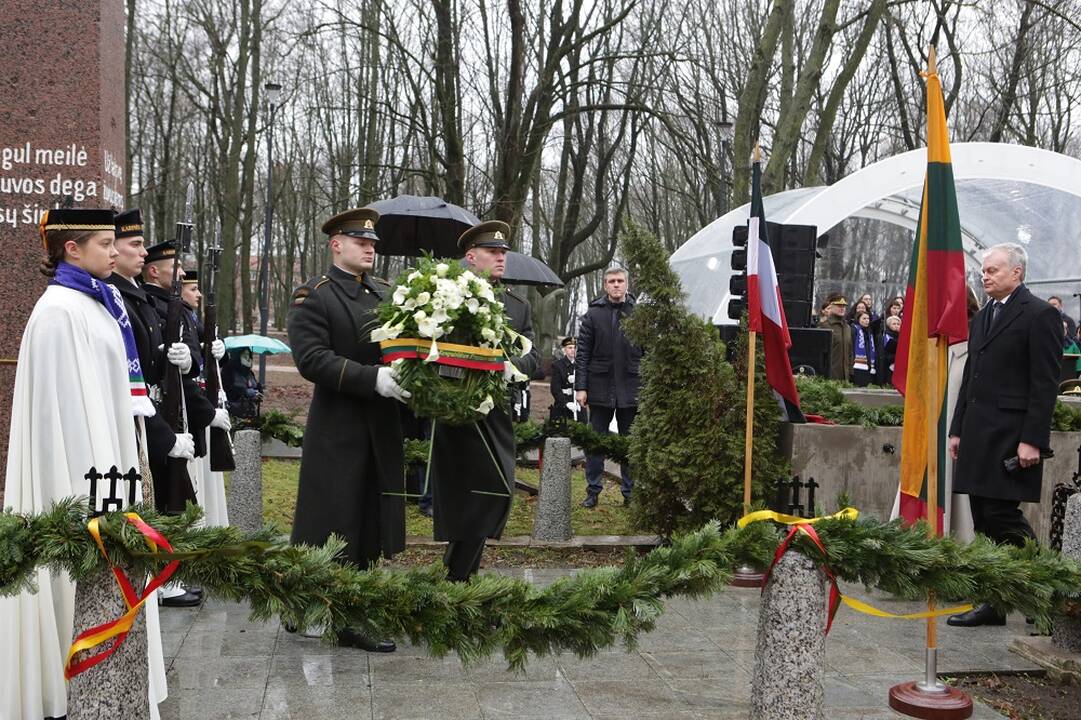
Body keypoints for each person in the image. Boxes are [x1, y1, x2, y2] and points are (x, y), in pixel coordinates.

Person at [0, 208, 166, 719]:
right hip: (82, 483)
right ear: (71, 248)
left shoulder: (101, 300)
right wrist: (102, 495)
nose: (115, 252)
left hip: (113, 466)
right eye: (104, 243)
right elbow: (67, 418)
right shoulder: (58, 312)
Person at [287, 207, 409, 650]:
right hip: (338, 428)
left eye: (373, 244)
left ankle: (335, 602)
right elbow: (311, 358)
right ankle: (333, 611)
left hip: (380, 422)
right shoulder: (315, 295)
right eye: (362, 242)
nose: (370, 249)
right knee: (334, 518)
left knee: (368, 517)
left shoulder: (384, 294)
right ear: (336, 244)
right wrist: (371, 377)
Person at [947, 244, 1062, 627]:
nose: (985, 275)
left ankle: (1045, 594)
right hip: (979, 434)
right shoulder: (982, 319)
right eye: (984, 270)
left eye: (994, 269)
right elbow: (970, 380)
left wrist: (1033, 439)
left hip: (1012, 437)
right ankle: (994, 603)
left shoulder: (1040, 315)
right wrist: (957, 429)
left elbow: (1045, 384)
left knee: (1003, 516)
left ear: (1017, 273)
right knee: (983, 516)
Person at [429, 220, 540, 581]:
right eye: (492, 252)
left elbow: (533, 356)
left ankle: (458, 573)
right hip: (457, 408)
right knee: (464, 498)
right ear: (470, 257)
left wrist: (509, 366)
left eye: (503, 252)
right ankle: (460, 578)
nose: (500, 258)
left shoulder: (517, 305)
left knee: (497, 491)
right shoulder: (447, 297)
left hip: (496, 411)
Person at [575, 267, 642, 508]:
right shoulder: (594, 313)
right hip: (599, 387)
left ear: (627, 284)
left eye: (620, 281)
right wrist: (581, 387)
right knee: (596, 443)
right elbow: (582, 353)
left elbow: (649, 352)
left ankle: (630, 493)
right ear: (605, 286)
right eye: (612, 281)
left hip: (631, 388)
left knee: (629, 444)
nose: (616, 285)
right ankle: (593, 491)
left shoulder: (639, 313)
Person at [180, 269, 230, 528]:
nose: (198, 294)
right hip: (193, 409)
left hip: (200, 403)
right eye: (192, 289)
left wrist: (220, 344)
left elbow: (206, 335)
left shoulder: (190, 317)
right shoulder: (180, 316)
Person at [549, 336, 586, 422]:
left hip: (579, 404)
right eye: (570, 348)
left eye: (575, 348)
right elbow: (555, 389)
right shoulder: (558, 366)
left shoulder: (581, 365)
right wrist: (566, 403)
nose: (573, 350)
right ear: (564, 350)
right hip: (564, 405)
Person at [222, 347, 263, 418]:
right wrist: (245, 392)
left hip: (251, 412)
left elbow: (255, 386)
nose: (247, 358)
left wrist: (258, 392)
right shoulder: (228, 371)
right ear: (237, 356)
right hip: (233, 413)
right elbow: (228, 390)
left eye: (249, 355)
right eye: (244, 355)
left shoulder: (249, 373)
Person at [820, 293, 853, 382]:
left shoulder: (848, 328)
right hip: (829, 376)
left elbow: (850, 352)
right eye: (839, 305)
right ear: (831, 306)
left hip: (845, 377)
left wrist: (850, 372)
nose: (842, 308)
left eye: (844, 306)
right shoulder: (824, 326)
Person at [850, 310, 877, 387]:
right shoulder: (854, 329)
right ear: (858, 319)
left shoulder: (869, 332)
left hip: (868, 365)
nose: (867, 321)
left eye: (868, 319)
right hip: (857, 364)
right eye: (864, 319)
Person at [878, 314, 902, 387]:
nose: (896, 325)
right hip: (888, 367)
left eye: (898, 324)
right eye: (894, 324)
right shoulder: (886, 336)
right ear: (889, 325)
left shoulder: (902, 336)